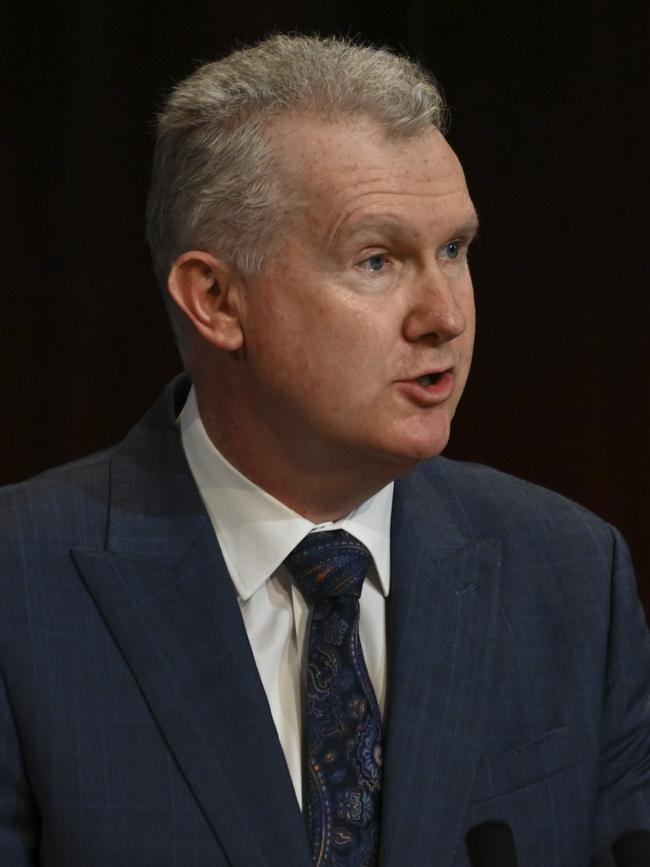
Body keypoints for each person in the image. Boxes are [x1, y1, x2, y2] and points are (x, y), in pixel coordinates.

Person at [1, 34, 649, 867]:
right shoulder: (20, 588)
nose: (444, 314)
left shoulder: (568, 573)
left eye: (454, 249)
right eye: (378, 259)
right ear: (217, 299)